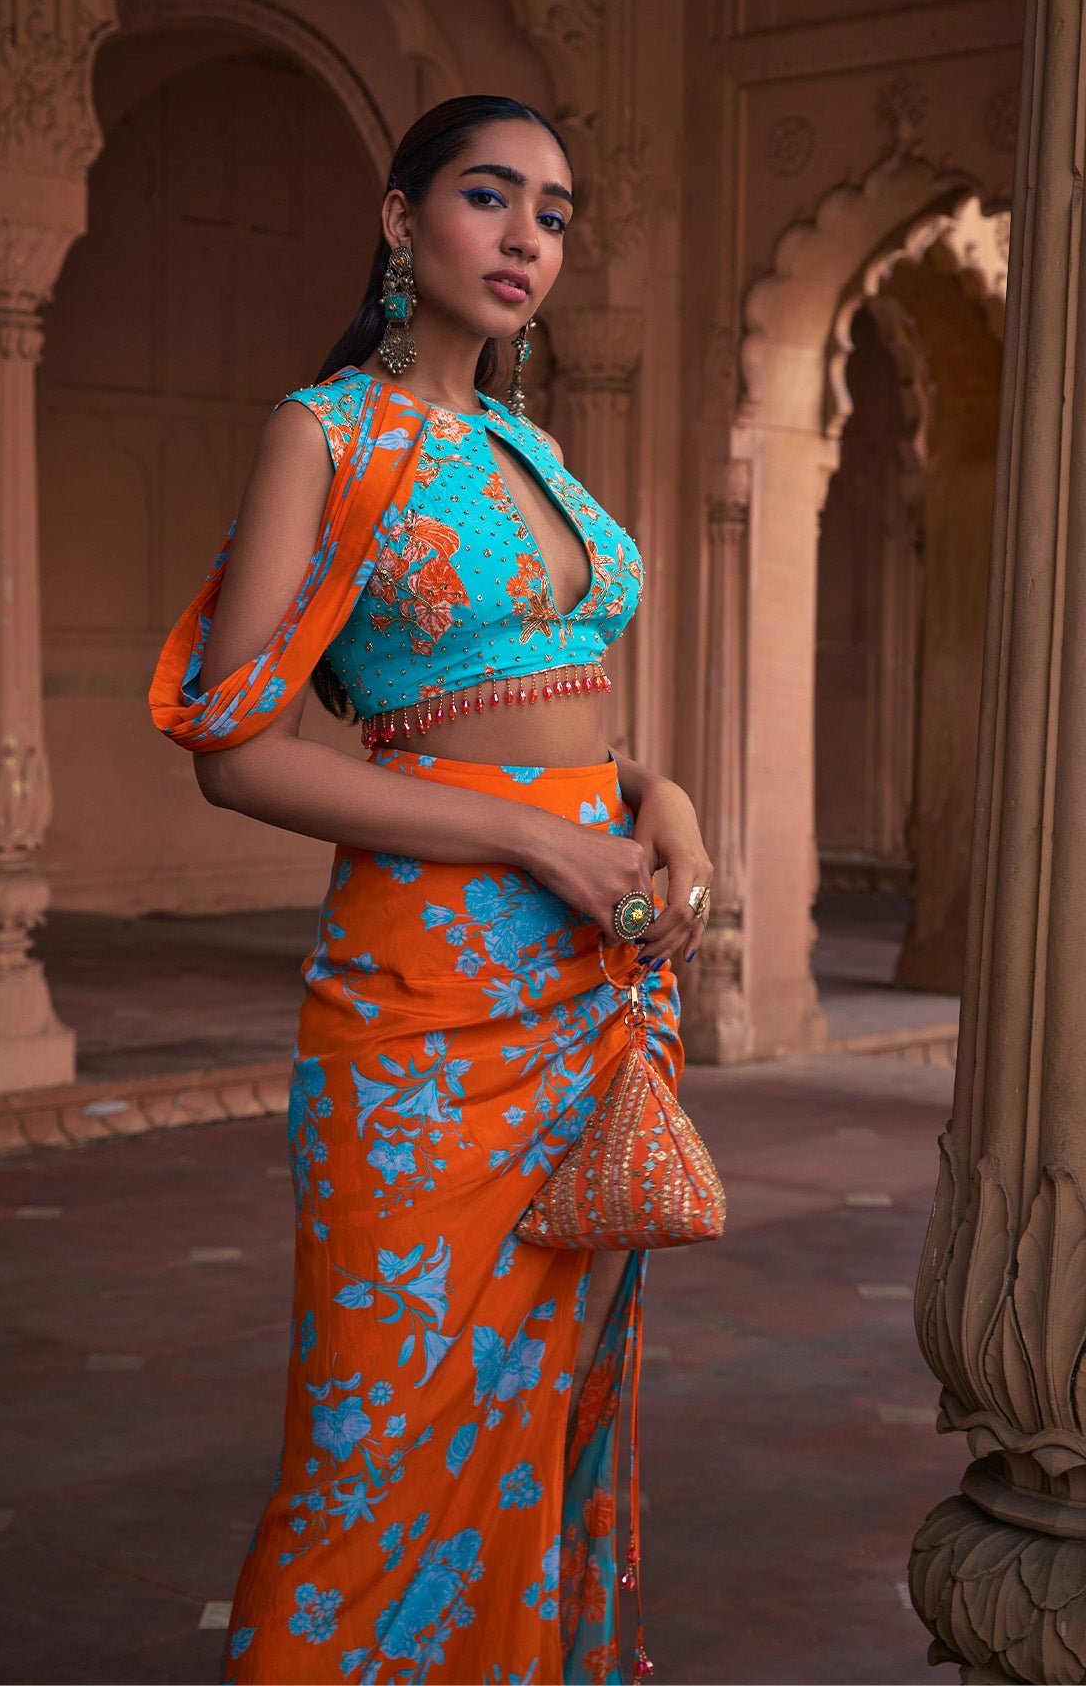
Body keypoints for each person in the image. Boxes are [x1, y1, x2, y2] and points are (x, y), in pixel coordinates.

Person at [149, 94, 713, 1686]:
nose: (530, 233)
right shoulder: (327, 434)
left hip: (590, 986)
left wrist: (649, 801)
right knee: (377, 1443)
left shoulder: (532, 449)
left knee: (545, 1426)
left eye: (556, 209)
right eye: (490, 196)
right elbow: (233, 750)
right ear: (403, 222)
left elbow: (567, 718)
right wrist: (538, 844)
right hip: (429, 1011)